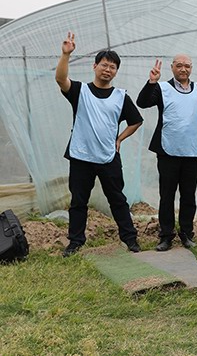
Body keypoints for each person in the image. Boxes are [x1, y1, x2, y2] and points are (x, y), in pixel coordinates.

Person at [56, 33, 143, 257]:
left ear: (116, 71)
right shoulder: (80, 91)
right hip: (81, 156)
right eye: (104, 65)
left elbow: (136, 121)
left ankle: (130, 239)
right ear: (95, 66)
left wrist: (119, 139)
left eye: (113, 67)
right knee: (78, 202)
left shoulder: (121, 96)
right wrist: (65, 55)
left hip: (108, 156)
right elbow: (60, 79)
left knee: (117, 199)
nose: (108, 69)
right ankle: (75, 242)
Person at [136, 54, 197, 251]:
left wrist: (191, 134)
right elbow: (142, 103)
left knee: (188, 195)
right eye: (179, 66)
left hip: (192, 151)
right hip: (168, 151)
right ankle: (166, 236)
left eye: (187, 66)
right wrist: (152, 81)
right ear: (172, 68)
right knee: (166, 195)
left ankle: (186, 233)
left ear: (191, 68)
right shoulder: (162, 88)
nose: (183, 69)